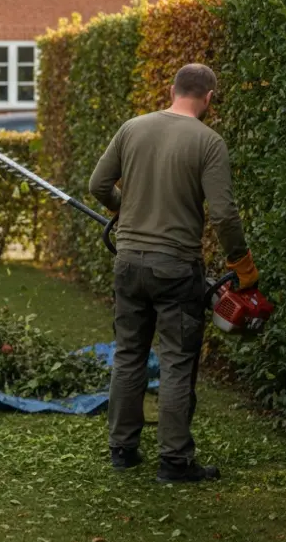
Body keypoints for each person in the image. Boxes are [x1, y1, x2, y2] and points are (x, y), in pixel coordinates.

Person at [87, 63, 258, 483]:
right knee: (177, 361)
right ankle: (174, 461)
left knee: (129, 354)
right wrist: (242, 266)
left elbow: (98, 185)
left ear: (171, 89)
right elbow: (223, 214)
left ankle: (122, 450)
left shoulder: (132, 127)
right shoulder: (209, 142)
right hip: (177, 267)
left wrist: (122, 206)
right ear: (210, 97)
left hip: (128, 262)